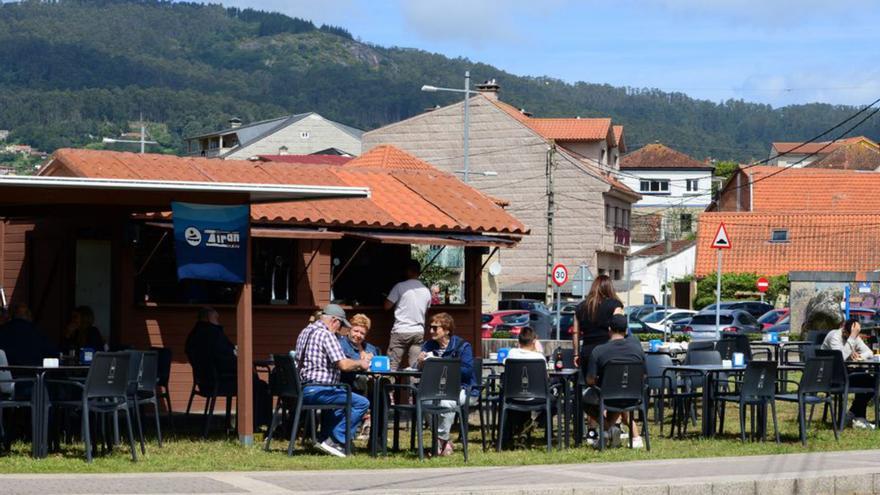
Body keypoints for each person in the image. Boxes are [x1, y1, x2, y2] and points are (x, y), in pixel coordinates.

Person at [295, 304, 372, 457]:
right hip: (320, 389)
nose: (340, 329)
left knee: (343, 396)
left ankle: (331, 440)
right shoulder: (326, 335)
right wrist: (360, 363)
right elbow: (343, 364)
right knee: (362, 403)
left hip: (303, 388)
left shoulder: (305, 331)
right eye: (341, 325)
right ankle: (335, 440)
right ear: (334, 321)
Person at [184, 307, 270, 429]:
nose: (218, 321)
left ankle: (247, 425)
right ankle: (254, 427)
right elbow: (225, 359)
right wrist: (243, 364)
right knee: (257, 384)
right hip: (219, 381)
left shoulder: (193, 335)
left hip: (204, 381)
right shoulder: (213, 333)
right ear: (209, 318)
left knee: (254, 382)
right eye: (216, 318)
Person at [583, 314, 646, 449]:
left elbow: (590, 380)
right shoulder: (638, 350)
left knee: (584, 398)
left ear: (609, 329)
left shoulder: (599, 351)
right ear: (626, 330)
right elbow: (644, 375)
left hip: (608, 397)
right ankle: (619, 433)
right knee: (619, 394)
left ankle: (607, 429)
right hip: (634, 396)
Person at [417, 312, 475, 456]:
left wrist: (442, 365)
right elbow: (418, 371)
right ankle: (445, 440)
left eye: (435, 328)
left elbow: (467, 372)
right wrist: (420, 362)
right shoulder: (428, 345)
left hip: (463, 389)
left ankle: (439, 441)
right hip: (437, 388)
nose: (431, 331)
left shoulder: (462, 346)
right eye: (430, 327)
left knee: (448, 402)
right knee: (425, 401)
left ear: (447, 330)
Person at [821, 317, 876, 429]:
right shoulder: (834, 337)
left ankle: (854, 415)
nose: (855, 337)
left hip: (845, 373)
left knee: (872, 380)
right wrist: (851, 338)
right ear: (844, 330)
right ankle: (857, 417)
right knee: (866, 380)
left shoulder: (853, 336)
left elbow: (869, 352)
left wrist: (860, 356)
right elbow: (840, 357)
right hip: (831, 376)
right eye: (853, 334)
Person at [384, 259, 432, 370]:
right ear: (418, 272)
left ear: (408, 271)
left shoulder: (399, 286)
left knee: (392, 365)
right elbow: (426, 311)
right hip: (418, 331)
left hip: (400, 330)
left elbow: (387, 306)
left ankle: (389, 387)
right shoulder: (426, 290)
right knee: (415, 366)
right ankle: (413, 387)